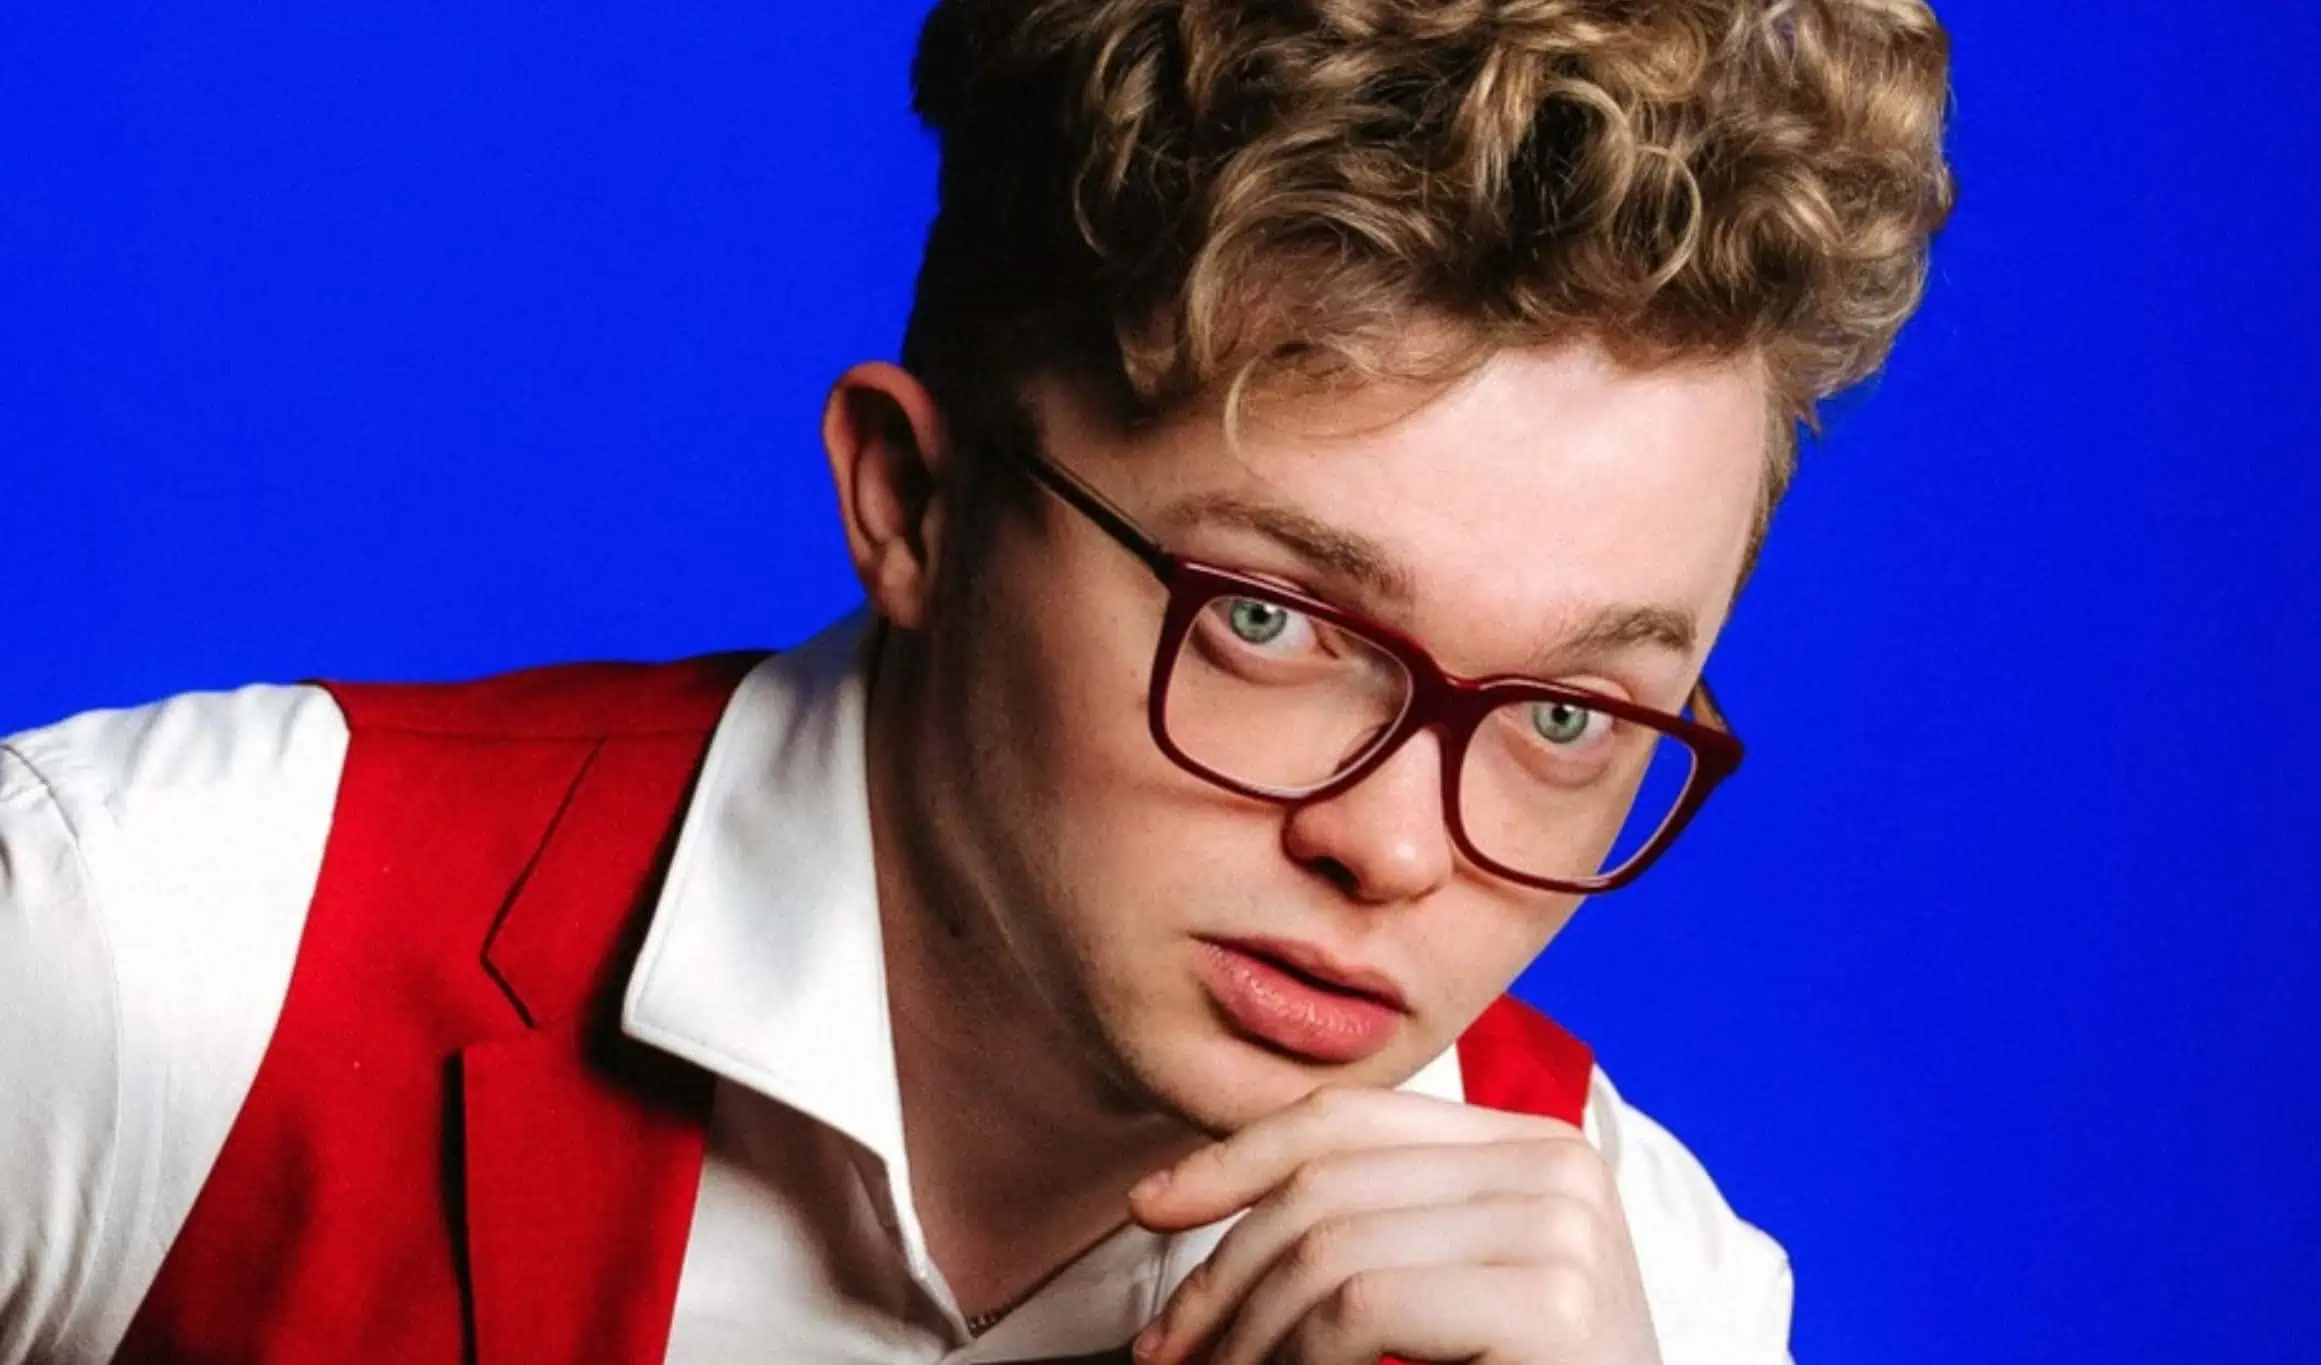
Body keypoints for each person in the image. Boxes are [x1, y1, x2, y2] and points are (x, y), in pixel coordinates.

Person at [0, 1, 1953, 1361]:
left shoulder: (1650, 1301)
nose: (1393, 848)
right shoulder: (135, 950)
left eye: (1565, 716)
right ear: (911, 504)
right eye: (1268, 620)